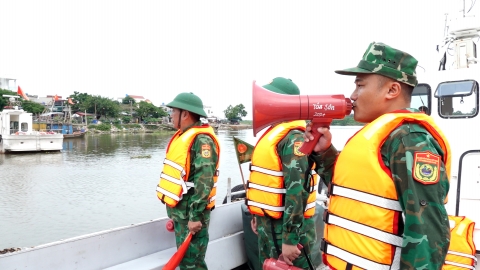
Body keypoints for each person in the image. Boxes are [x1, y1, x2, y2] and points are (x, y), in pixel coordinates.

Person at [305, 42, 452, 270]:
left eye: (360, 85)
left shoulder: (409, 139)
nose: (352, 96)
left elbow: (428, 230)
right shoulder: (383, 134)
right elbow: (359, 192)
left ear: (392, 90)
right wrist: (324, 152)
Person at [247, 77, 319, 269]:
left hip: (286, 232)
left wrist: (290, 239)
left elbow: (297, 191)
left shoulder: (294, 138)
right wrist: (257, 215)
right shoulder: (277, 134)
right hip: (267, 225)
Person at [156, 92, 220, 270]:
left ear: (184, 114)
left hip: (191, 216)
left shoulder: (202, 141)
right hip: (181, 215)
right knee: (187, 263)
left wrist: (195, 217)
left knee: (193, 265)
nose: (171, 116)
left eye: (173, 112)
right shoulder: (184, 136)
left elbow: (204, 181)